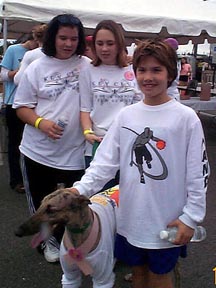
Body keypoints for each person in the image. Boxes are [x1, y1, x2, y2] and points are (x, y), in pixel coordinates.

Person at [65, 39, 208, 288]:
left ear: (170, 74)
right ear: (134, 73)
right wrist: (79, 190)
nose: (148, 77)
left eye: (156, 70)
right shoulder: (127, 115)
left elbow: (199, 173)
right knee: (138, 274)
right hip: (130, 219)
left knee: (160, 277)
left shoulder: (186, 118)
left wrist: (191, 217)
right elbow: (104, 163)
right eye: (142, 70)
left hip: (167, 220)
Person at [13, 14, 90, 263]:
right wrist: (41, 123)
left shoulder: (87, 65)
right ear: (52, 37)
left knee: (74, 205)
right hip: (38, 150)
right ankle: (48, 242)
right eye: (63, 38)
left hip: (75, 152)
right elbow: (21, 106)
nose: (68, 44)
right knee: (42, 205)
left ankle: (70, 240)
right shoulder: (37, 66)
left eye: (73, 39)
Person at [79, 19, 142, 176]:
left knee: (127, 197)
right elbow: (85, 108)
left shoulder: (134, 71)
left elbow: (141, 106)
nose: (104, 49)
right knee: (99, 198)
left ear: (119, 44)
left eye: (110, 43)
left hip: (128, 143)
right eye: (99, 43)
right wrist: (87, 132)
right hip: (98, 144)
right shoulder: (87, 71)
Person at [0, 34, 38, 193]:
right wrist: (22, 70)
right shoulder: (14, 50)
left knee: (33, 143)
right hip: (13, 103)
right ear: (33, 39)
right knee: (15, 143)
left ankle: (32, 179)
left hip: (34, 106)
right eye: (38, 43)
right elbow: (2, 75)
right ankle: (16, 180)